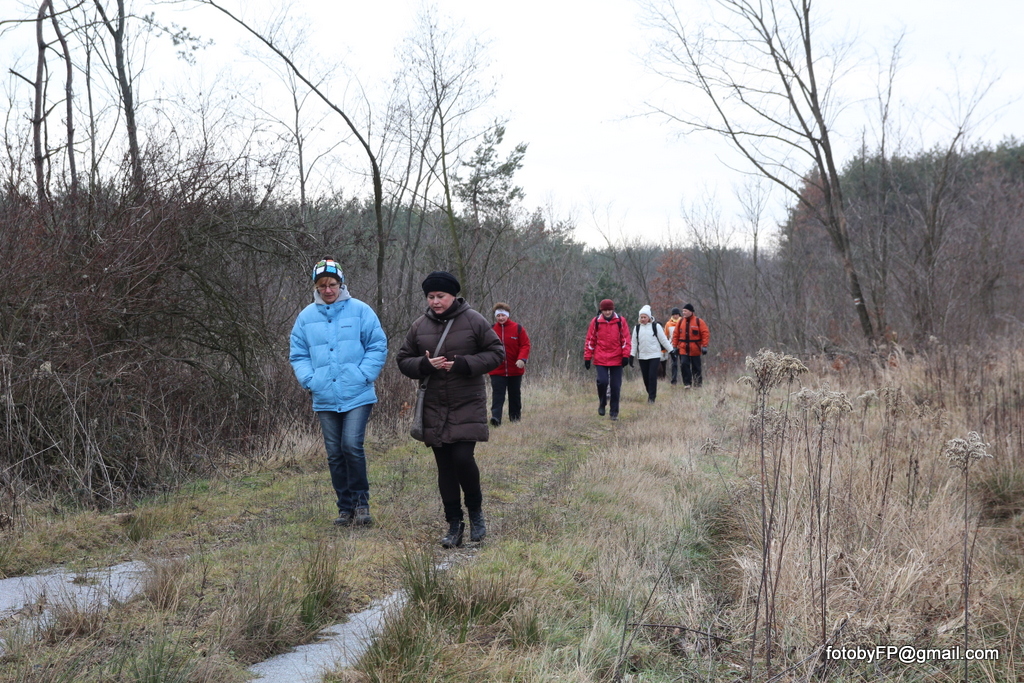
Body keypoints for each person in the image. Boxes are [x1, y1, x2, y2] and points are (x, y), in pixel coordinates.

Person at [396, 271, 504, 548]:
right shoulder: (419, 325)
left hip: (467, 400)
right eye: (430, 297)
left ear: (453, 296)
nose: (435, 302)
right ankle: (454, 524)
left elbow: (496, 353)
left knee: (463, 458)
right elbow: (403, 359)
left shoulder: (474, 320)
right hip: (433, 404)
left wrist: (464, 364)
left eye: (440, 296)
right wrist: (424, 364)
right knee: (444, 466)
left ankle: (476, 513)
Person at [290, 258, 388, 527]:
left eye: (332, 284)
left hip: (357, 393)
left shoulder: (361, 310)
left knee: (351, 446)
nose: (328, 290)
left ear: (341, 284)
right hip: (324, 395)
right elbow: (298, 354)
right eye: (322, 285)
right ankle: (345, 509)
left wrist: (363, 374)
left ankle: (362, 505)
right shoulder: (305, 317)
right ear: (316, 287)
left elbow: (377, 345)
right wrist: (310, 380)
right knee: (334, 453)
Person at [583, 299, 631, 421]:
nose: (608, 312)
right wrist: (587, 357)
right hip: (601, 357)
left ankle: (614, 412)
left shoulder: (620, 321)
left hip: (617, 358)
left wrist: (626, 356)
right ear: (601, 310)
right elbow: (590, 340)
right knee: (602, 382)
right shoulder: (596, 322)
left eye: (609, 310)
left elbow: (626, 339)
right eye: (605, 310)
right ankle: (602, 402)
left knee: (615, 386)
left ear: (613, 309)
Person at [488, 302, 531, 426]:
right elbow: (485, 346)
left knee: (514, 394)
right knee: (498, 394)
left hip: (515, 369)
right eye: (498, 316)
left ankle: (515, 418)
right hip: (497, 369)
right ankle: (496, 418)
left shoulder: (518, 328)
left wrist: (522, 359)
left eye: (503, 315)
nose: (501, 318)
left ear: (508, 315)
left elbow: (525, 345)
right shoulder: (491, 330)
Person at [630, 305, 673, 403]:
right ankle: (650, 393)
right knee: (646, 378)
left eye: (644, 317)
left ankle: (652, 398)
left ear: (649, 317)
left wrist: (671, 351)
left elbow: (663, 340)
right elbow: (634, 343)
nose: (643, 319)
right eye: (641, 317)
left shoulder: (656, 326)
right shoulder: (637, 328)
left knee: (652, 376)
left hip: (654, 355)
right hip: (642, 356)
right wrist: (631, 355)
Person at [671, 303, 710, 388]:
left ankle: (697, 385)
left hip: (695, 349)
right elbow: (676, 334)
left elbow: (705, 333)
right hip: (683, 348)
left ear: (691, 311)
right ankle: (687, 384)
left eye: (685, 311)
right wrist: (674, 346)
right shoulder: (680, 322)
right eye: (683, 311)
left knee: (696, 367)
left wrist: (704, 346)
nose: (683, 313)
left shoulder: (699, 321)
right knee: (684, 365)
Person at [664, 307, 684, 385]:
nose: (676, 316)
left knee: (683, 363)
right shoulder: (668, 324)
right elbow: (665, 335)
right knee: (674, 364)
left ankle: (684, 380)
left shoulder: (683, 322)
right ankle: (674, 381)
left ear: (679, 315)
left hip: (682, 346)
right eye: (674, 314)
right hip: (672, 346)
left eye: (677, 314)